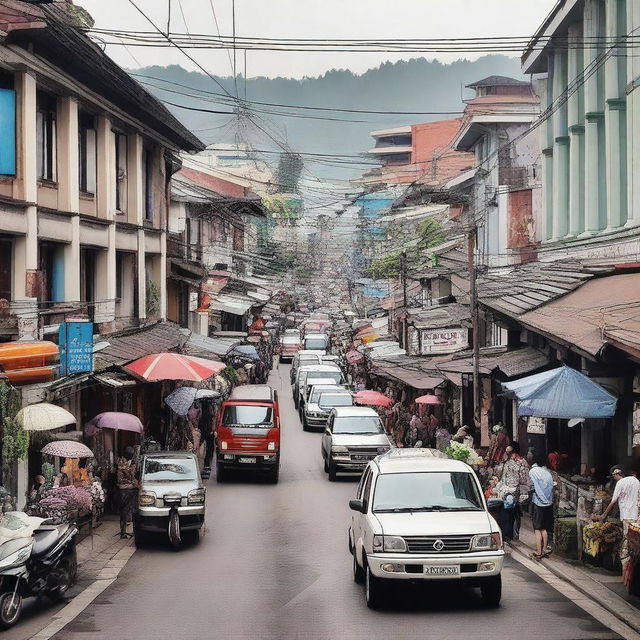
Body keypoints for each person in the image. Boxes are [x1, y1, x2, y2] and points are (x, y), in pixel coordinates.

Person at [593, 466, 640, 577]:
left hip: (627, 516)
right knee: (635, 544)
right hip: (636, 516)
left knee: (627, 544)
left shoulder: (620, 483)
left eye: (614, 476)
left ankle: (625, 573)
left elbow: (613, 501)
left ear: (618, 473)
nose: (614, 479)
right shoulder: (636, 480)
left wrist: (603, 515)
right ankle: (632, 571)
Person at [498, 443, 530, 541]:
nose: (507, 454)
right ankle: (509, 535)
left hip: (513, 491)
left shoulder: (518, 462)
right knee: (510, 513)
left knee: (510, 513)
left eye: (509, 452)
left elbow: (524, 479)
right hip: (508, 491)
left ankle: (508, 535)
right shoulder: (517, 461)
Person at [528, 449, 554, 559]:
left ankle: (538, 552)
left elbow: (532, 487)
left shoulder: (533, 472)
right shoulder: (547, 472)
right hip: (548, 503)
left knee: (537, 528)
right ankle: (544, 550)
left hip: (538, 503)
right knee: (544, 528)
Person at [117, 447, 138, 539]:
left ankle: (123, 532)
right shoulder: (129, 464)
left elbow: (120, 479)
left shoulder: (119, 463)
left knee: (124, 511)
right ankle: (129, 531)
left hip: (122, 490)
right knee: (132, 510)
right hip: (129, 489)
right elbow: (131, 477)